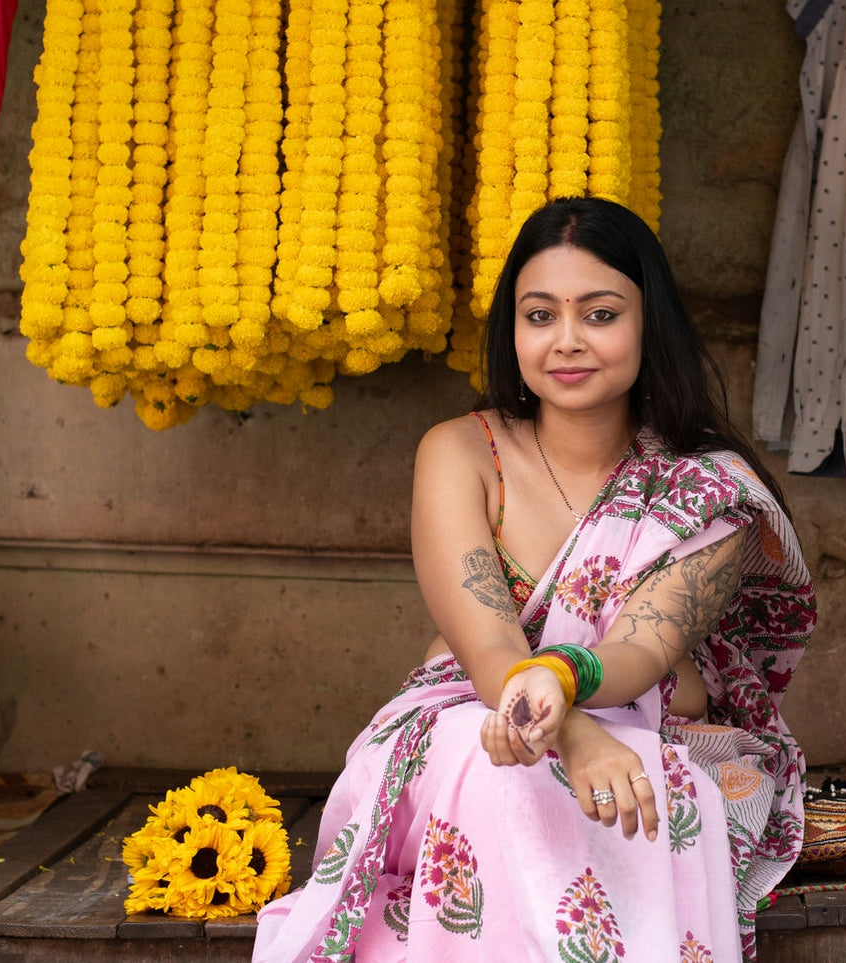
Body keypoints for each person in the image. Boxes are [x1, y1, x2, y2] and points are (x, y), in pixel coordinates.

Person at [252, 196, 817, 962]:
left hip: (646, 729)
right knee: (492, 765)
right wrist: (569, 730)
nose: (567, 341)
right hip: (471, 721)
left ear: (651, 324)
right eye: (539, 315)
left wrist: (565, 679)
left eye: (600, 313)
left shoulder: (704, 487)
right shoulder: (461, 453)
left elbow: (641, 653)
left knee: (637, 779)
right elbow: (486, 644)